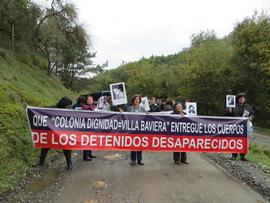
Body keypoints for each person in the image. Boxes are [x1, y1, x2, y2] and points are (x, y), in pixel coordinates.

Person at [33, 96, 73, 170]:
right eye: (68, 106)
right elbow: (43, 113)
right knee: (45, 146)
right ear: (63, 105)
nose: (69, 108)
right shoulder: (52, 108)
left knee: (66, 147)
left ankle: (69, 164)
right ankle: (41, 162)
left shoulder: (69, 110)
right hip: (52, 131)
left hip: (63, 132)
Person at [226, 92, 254, 161]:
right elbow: (227, 116)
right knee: (235, 140)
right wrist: (229, 111)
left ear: (245, 99)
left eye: (243, 98)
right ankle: (234, 155)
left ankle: (243, 156)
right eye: (240, 98)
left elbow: (252, 114)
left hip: (244, 127)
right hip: (235, 126)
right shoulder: (232, 106)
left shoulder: (248, 107)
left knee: (244, 140)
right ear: (238, 99)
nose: (242, 99)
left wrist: (251, 117)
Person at [127, 94, 145, 166]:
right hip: (132, 129)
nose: (137, 100)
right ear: (133, 101)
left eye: (138, 99)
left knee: (140, 145)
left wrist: (147, 114)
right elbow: (125, 117)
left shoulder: (143, 108)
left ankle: (139, 160)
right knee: (133, 145)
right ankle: (133, 160)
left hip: (140, 129)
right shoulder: (129, 108)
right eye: (136, 99)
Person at [81, 95, 97, 161]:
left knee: (90, 140)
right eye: (89, 99)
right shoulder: (84, 107)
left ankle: (90, 154)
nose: (90, 100)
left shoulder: (94, 107)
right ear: (86, 101)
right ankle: (85, 156)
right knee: (86, 140)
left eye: (91, 99)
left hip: (92, 126)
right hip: (86, 126)